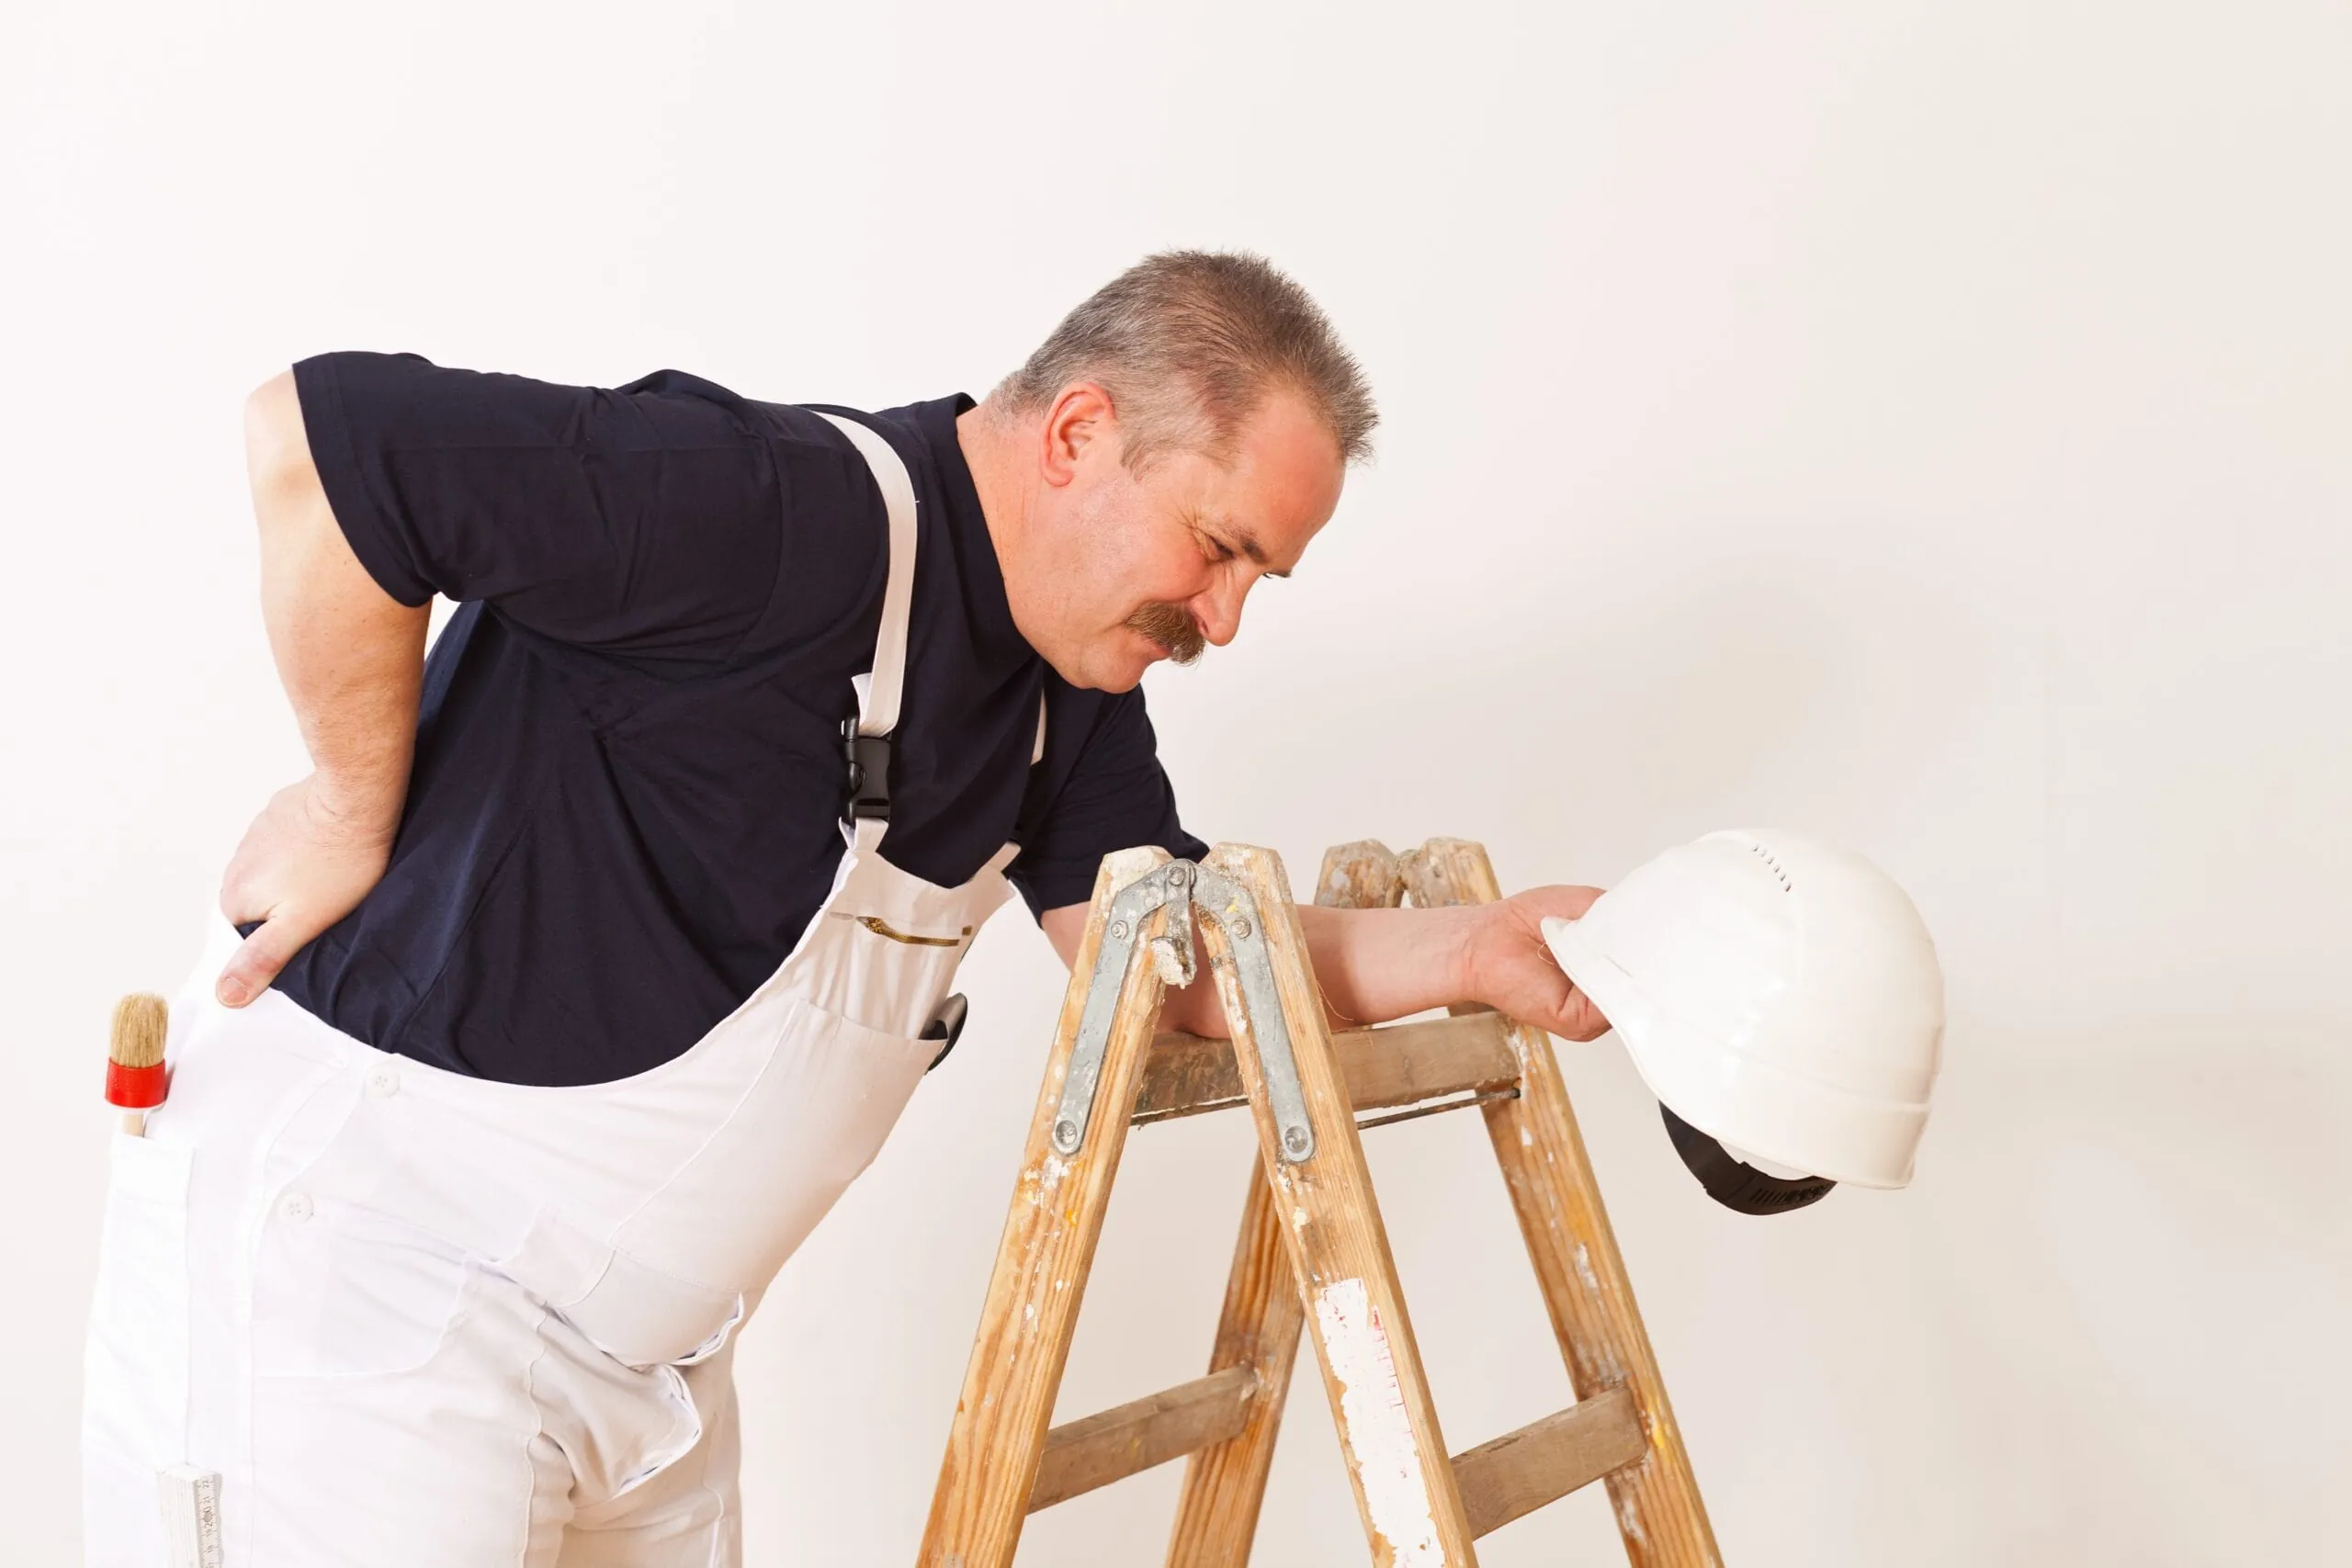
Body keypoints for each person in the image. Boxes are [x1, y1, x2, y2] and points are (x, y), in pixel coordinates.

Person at [83, 251, 1610, 1566]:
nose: (1223, 619)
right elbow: (326, 443)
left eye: (1258, 579)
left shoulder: (1060, 706)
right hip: (366, 1302)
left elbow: (1186, 969)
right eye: (1219, 549)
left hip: (649, 1380)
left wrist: (1474, 951)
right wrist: (351, 805)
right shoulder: (774, 514)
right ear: (1081, 431)